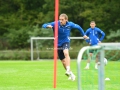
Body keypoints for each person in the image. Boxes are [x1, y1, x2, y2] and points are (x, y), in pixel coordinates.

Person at [42, 13, 88, 81]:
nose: (60, 21)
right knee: (63, 61)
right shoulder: (56, 24)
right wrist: (47, 26)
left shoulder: (70, 24)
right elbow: (44, 25)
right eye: (60, 19)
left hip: (66, 41)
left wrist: (83, 34)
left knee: (66, 53)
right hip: (57, 44)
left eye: (62, 19)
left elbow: (78, 27)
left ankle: (68, 69)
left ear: (66, 20)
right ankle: (71, 74)